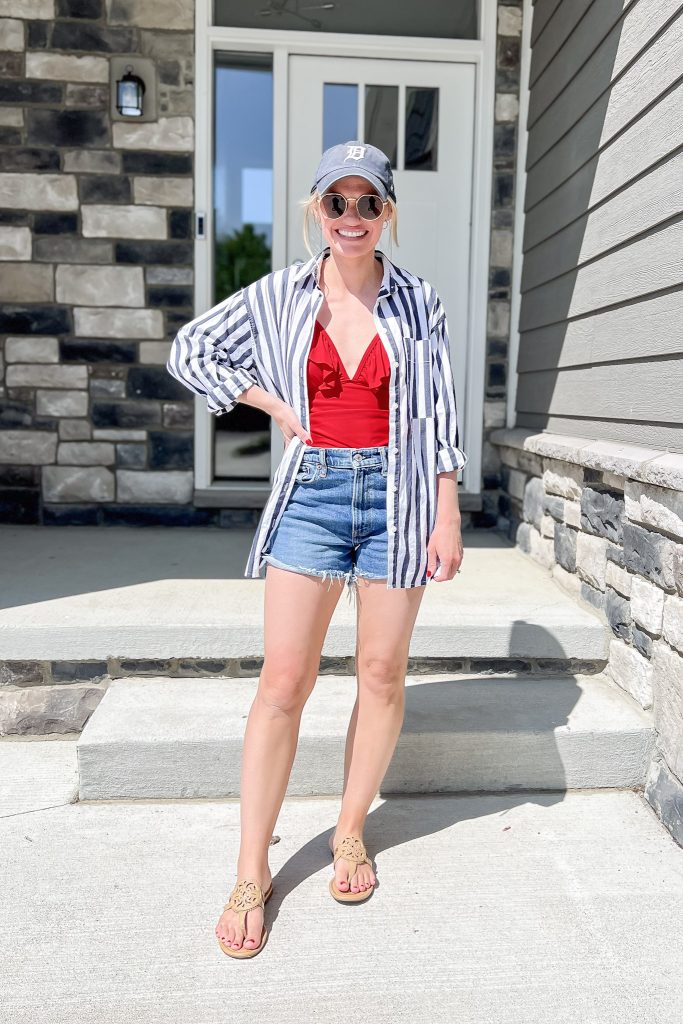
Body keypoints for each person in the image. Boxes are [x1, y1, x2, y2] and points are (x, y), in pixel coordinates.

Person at [166, 140, 468, 959]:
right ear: (316, 211)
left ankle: (347, 833)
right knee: (283, 681)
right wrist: (265, 400)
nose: (351, 218)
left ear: (387, 214)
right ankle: (248, 870)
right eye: (336, 202)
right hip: (312, 495)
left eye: (367, 202)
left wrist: (447, 513)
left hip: (400, 500)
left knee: (379, 673)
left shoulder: (420, 303)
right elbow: (190, 350)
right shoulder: (280, 295)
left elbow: (439, 415)